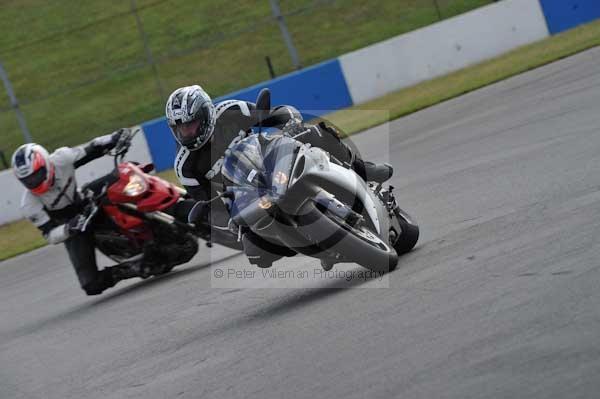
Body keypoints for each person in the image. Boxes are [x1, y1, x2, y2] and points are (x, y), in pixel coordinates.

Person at [164, 85, 394, 265]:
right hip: (248, 197)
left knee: (314, 133)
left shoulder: (230, 111)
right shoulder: (185, 166)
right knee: (255, 250)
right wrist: (225, 220)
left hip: (273, 159)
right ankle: (313, 243)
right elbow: (209, 206)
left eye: (191, 125)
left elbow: (271, 114)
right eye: (180, 128)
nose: (187, 132)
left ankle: (361, 168)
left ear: (205, 114)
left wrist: (289, 120)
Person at [11, 129, 141, 296]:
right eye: (28, 180)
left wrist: (114, 138)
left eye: (37, 175)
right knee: (91, 284)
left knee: (127, 172)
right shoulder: (30, 204)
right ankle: (131, 268)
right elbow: (49, 234)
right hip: (72, 226)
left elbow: (92, 149)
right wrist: (70, 228)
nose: (34, 182)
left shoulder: (61, 159)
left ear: (46, 164)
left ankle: (161, 209)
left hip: (86, 199)